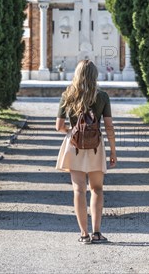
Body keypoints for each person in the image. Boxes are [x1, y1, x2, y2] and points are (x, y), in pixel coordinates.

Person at [55, 59, 117, 244]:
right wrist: (113, 151)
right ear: (94, 76)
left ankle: (84, 234)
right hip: (96, 145)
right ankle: (97, 233)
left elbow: (58, 126)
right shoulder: (102, 96)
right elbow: (109, 126)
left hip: (73, 146)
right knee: (97, 189)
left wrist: (73, 133)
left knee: (78, 190)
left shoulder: (68, 94)